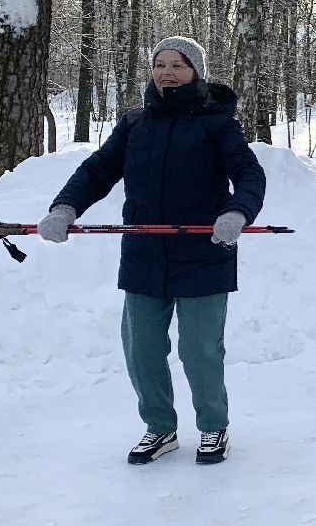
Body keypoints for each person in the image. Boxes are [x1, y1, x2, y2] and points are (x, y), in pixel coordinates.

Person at [37, 36, 266, 466]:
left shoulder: (218, 123)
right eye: (160, 64)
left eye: (177, 64)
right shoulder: (135, 123)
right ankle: (160, 427)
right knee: (141, 348)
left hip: (204, 251)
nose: (167, 72)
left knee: (199, 350)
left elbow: (249, 174)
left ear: (195, 71)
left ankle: (214, 425)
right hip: (145, 254)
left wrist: (237, 212)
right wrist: (65, 208)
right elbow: (97, 170)